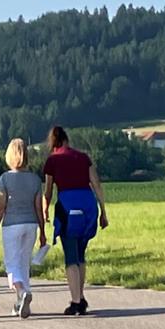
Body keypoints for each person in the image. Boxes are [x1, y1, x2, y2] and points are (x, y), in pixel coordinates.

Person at [41, 126, 109, 315]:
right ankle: (81, 295)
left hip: (68, 207)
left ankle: (76, 301)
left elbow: (48, 191)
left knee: (71, 256)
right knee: (80, 254)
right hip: (88, 206)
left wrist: (45, 209)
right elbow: (96, 184)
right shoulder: (83, 157)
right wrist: (103, 211)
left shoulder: (53, 160)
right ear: (67, 140)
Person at [0, 138, 45, 318]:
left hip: (12, 224)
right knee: (23, 263)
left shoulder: (5, 178)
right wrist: (42, 231)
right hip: (31, 224)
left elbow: (1, 206)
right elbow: (38, 207)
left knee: (12, 264)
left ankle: (22, 292)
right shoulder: (35, 179)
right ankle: (20, 302)